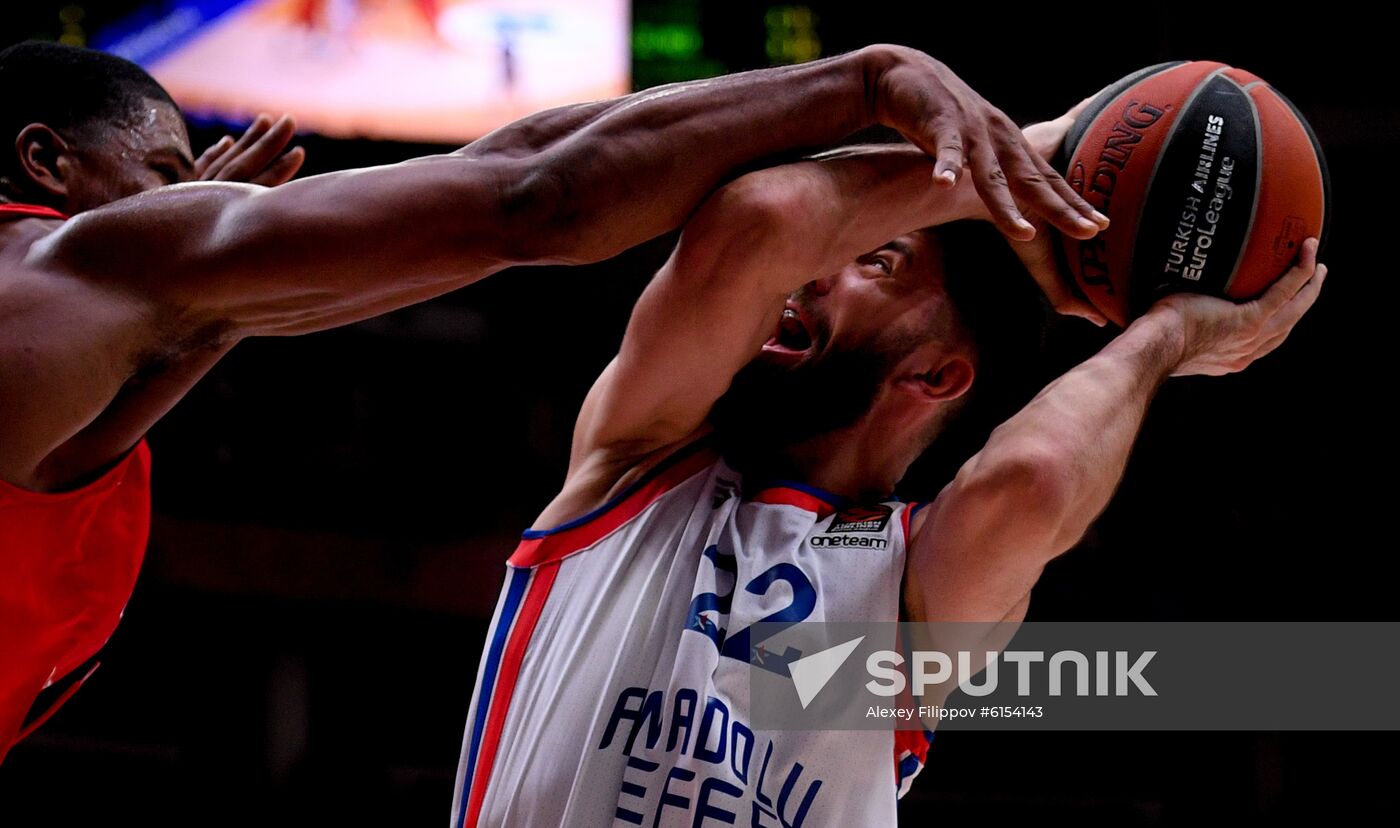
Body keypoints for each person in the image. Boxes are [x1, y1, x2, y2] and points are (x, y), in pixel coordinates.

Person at [0, 40, 1105, 764]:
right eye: (168, 180)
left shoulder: (70, 359)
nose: (203, 203)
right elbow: (537, 191)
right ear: (45, 161)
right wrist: (878, 89)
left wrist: (223, 296)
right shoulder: (67, 282)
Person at [449, 103, 1326, 826]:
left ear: (937, 374)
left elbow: (1035, 482)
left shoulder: (908, 592)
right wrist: (1017, 161)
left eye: (876, 262)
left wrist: (1167, 334)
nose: (815, 273)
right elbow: (756, 224)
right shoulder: (637, 462)